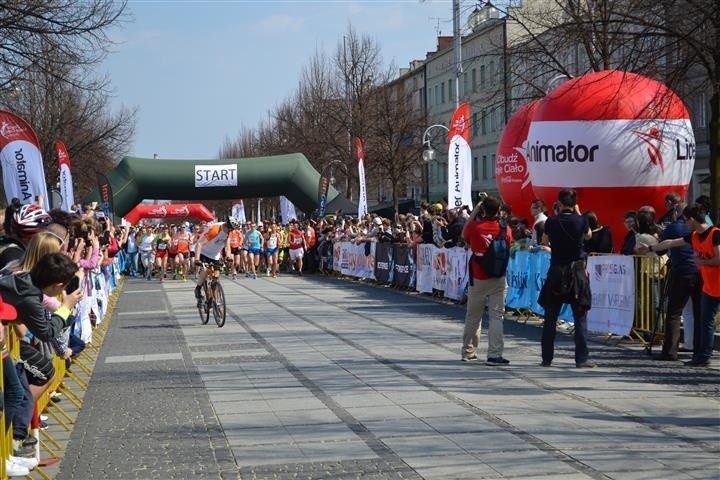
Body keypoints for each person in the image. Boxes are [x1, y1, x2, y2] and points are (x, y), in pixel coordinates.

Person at [638, 203, 720, 367]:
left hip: (714, 283)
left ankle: (698, 354)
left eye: (686, 221)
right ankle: (702, 356)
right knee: (705, 321)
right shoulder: (694, 236)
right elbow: (670, 243)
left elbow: (719, 258)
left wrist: (703, 261)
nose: (685, 224)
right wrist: (650, 248)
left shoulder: (715, 234)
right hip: (708, 287)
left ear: (691, 219)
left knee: (701, 319)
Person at [538, 189, 594, 368]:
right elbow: (589, 235)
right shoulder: (582, 220)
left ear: (559, 203)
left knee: (550, 317)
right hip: (576, 272)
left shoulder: (552, 221)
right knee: (580, 318)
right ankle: (581, 358)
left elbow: (545, 242)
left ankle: (547, 358)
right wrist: (579, 213)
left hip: (556, 271)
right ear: (574, 203)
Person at [461, 196, 512, 366]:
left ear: (483, 210)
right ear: (499, 211)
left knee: (473, 316)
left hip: (478, 276)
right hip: (498, 276)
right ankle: (494, 354)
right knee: (497, 316)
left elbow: (464, 234)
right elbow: (509, 246)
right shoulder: (506, 229)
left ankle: (468, 352)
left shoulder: (475, 227)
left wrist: (475, 210)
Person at [653, 201, 702, 361]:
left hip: (682, 272)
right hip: (700, 273)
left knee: (674, 313)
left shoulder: (674, 227)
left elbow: (663, 249)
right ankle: (699, 352)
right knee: (699, 313)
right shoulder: (703, 229)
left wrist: (653, 247)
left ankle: (670, 351)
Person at [194, 217, 238, 306]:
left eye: (232, 229)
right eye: (230, 229)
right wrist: (197, 259)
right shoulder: (215, 230)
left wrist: (228, 256)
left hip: (214, 255)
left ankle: (212, 298)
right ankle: (198, 289)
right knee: (206, 270)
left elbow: (227, 246)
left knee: (215, 276)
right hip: (204, 251)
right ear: (227, 225)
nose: (231, 231)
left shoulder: (229, 231)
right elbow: (199, 244)